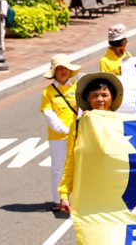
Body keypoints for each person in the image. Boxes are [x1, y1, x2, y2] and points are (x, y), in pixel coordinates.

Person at [57, 72, 124, 213]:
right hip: (89, 190)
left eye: (104, 95)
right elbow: (71, 160)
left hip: (117, 189)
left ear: (111, 98)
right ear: (88, 98)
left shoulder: (121, 123)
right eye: (95, 95)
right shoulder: (78, 126)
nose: (100, 99)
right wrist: (64, 193)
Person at [41, 54, 80, 211]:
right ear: (54, 72)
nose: (63, 71)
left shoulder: (78, 86)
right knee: (58, 168)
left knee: (78, 166)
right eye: (59, 69)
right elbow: (49, 115)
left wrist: (78, 129)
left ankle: (76, 198)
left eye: (65, 68)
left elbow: (83, 108)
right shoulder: (47, 92)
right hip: (58, 136)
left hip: (79, 134)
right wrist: (66, 130)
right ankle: (58, 200)